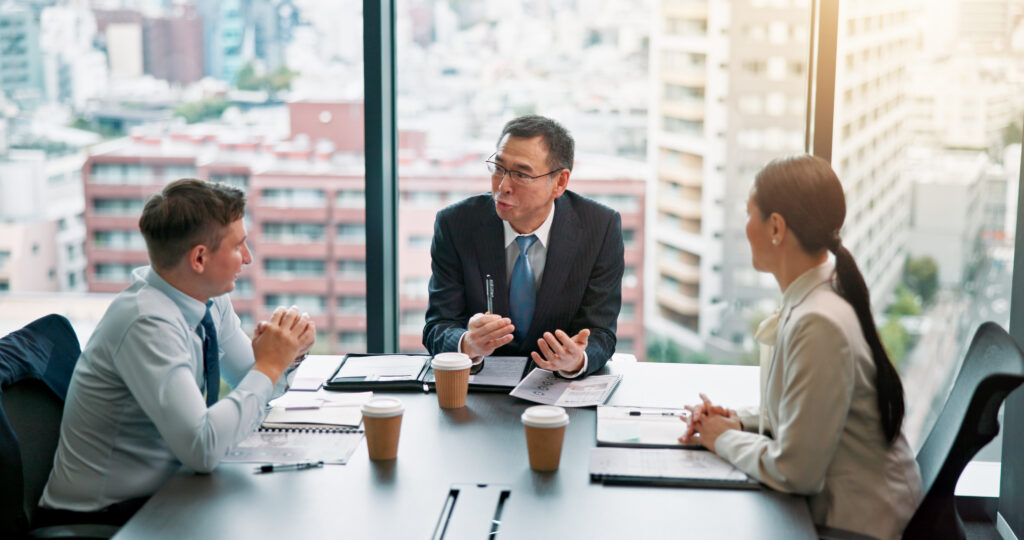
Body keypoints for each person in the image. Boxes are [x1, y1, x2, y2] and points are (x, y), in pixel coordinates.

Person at [38, 179, 315, 526]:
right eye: (239, 246)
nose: (248, 258)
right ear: (199, 257)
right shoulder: (146, 323)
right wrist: (271, 365)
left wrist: (288, 355)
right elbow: (203, 448)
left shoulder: (208, 299)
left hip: (167, 496)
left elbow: (255, 385)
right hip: (102, 520)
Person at [680, 155, 923, 539]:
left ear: (776, 227)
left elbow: (795, 470)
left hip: (859, 525)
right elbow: (805, 413)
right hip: (846, 508)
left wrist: (721, 437)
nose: (744, 228)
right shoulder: (819, 296)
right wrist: (738, 421)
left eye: (749, 214)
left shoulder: (818, 321)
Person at [422, 115, 623, 378]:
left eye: (520, 174)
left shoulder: (600, 227)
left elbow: (601, 332)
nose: (503, 186)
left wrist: (576, 359)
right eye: (499, 168)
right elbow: (438, 326)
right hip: (477, 390)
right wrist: (467, 343)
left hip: (557, 391)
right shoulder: (456, 224)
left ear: (560, 182)